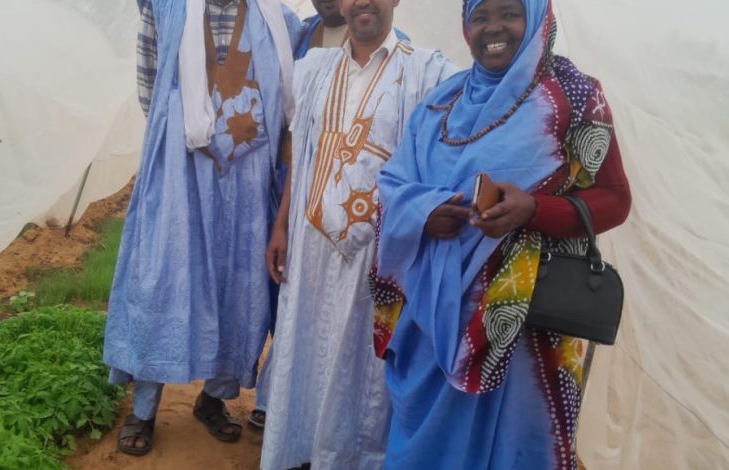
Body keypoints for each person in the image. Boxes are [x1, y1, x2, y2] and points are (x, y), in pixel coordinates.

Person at [374, 0, 631, 468]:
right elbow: (394, 183)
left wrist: (534, 210)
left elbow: (615, 199)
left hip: (528, 318)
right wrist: (424, 213)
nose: (493, 28)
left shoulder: (574, 97)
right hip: (431, 318)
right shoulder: (442, 101)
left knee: (513, 447)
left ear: (536, 18)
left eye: (509, 13)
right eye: (480, 17)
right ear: (465, 27)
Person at [259, 0, 458, 468]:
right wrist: (281, 225)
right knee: (305, 353)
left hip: (377, 257)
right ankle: (302, 453)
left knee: (360, 370)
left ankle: (347, 459)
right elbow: (302, 154)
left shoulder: (428, 73)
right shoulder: (314, 69)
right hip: (309, 247)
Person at [102, 0, 301, 456]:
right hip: (179, 172)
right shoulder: (164, 8)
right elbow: (151, 93)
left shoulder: (279, 19)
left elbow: (287, 105)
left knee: (237, 287)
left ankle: (213, 398)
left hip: (247, 184)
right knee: (163, 280)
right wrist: (191, 121)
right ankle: (144, 408)